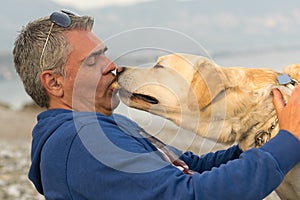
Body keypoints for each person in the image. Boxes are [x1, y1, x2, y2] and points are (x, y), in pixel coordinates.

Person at [13, 10, 300, 200]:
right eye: (93, 60)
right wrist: (288, 141)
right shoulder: (78, 143)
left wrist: (264, 133)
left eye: (105, 54)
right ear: (54, 83)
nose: (111, 66)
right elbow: (190, 195)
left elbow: (192, 167)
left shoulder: (101, 128)